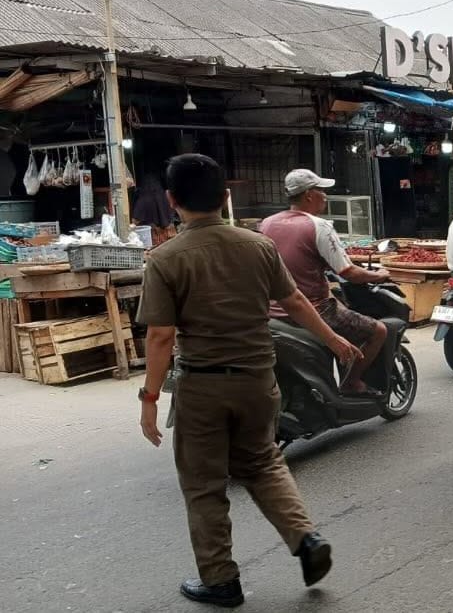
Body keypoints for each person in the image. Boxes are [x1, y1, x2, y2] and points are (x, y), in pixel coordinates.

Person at [137, 155, 361, 606]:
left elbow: (160, 336)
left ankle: (220, 579)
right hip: (259, 379)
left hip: (203, 385)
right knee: (262, 464)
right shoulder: (257, 246)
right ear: (225, 197)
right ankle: (305, 539)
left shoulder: (164, 259)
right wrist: (335, 339)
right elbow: (296, 301)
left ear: (171, 201)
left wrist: (149, 398)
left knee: (203, 485)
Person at [260, 169, 391, 397]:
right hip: (313, 309)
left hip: (270, 310)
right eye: (321, 190)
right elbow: (348, 271)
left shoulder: (267, 223)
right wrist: (379, 274)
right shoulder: (319, 226)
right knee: (378, 330)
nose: (325, 196)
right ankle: (351, 382)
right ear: (309, 195)